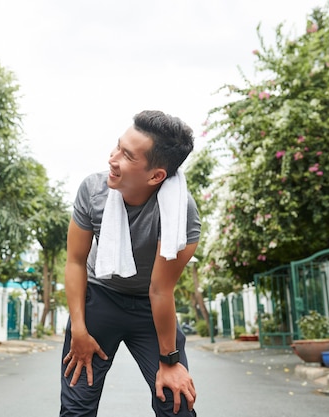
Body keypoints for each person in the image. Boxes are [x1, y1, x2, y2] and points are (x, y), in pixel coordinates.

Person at [60, 110, 201, 417]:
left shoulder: (181, 214)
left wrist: (170, 361)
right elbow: (74, 262)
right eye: (117, 147)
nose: (112, 159)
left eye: (127, 156)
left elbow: (161, 291)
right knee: (76, 408)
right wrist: (79, 331)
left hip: (151, 309)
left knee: (176, 404)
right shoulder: (93, 191)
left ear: (156, 176)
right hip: (100, 297)